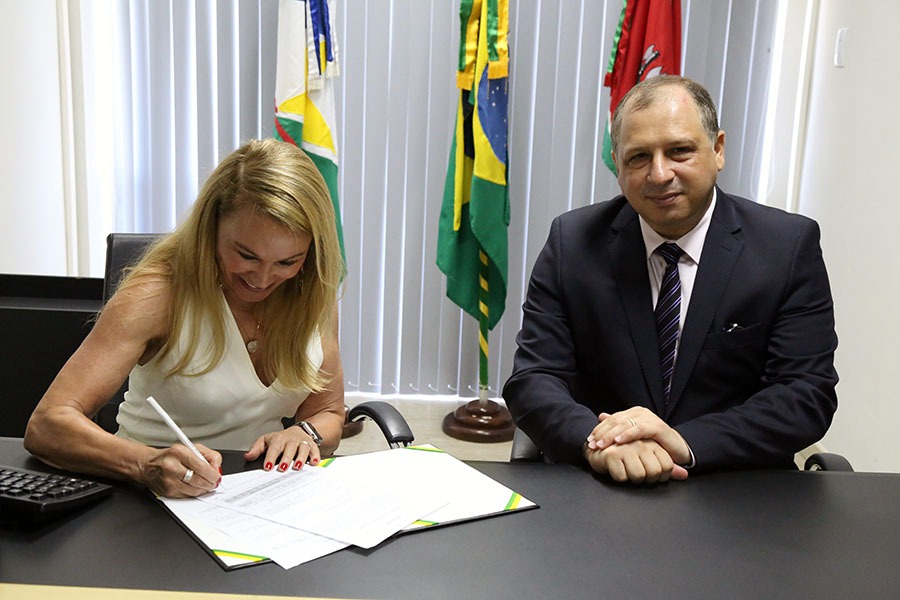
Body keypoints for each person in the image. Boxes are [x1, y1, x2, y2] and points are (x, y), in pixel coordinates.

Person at [503, 75, 838, 484]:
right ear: (618, 164)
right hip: (601, 481)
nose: (659, 174)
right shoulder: (572, 243)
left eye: (679, 151)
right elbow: (533, 379)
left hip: (732, 485)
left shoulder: (786, 247)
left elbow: (805, 396)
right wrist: (599, 443)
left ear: (717, 150)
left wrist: (682, 441)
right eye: (638, 157)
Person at [25, 139, 346, 498]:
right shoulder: (158, 294)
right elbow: (48, 425)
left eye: (287, 262)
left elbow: (329, 411)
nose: (262, 278)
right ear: (210, 230)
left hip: (257, 497)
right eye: (246, 255)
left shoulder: (312, 294)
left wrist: (306, 433)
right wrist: (146, 464)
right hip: (148, 500)